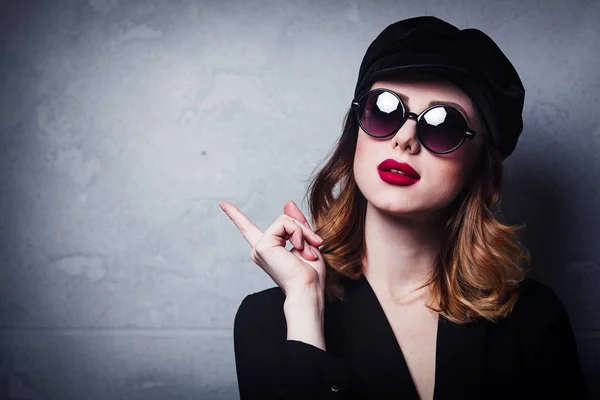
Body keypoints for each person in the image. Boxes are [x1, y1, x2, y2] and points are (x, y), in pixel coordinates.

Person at [220, 16, 589, 400]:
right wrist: (304, 309)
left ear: (483, 175)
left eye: (442, 124)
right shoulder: (270, 319)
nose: (405, 138)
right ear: (355, 137)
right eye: (384, 110)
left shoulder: (532, 319)